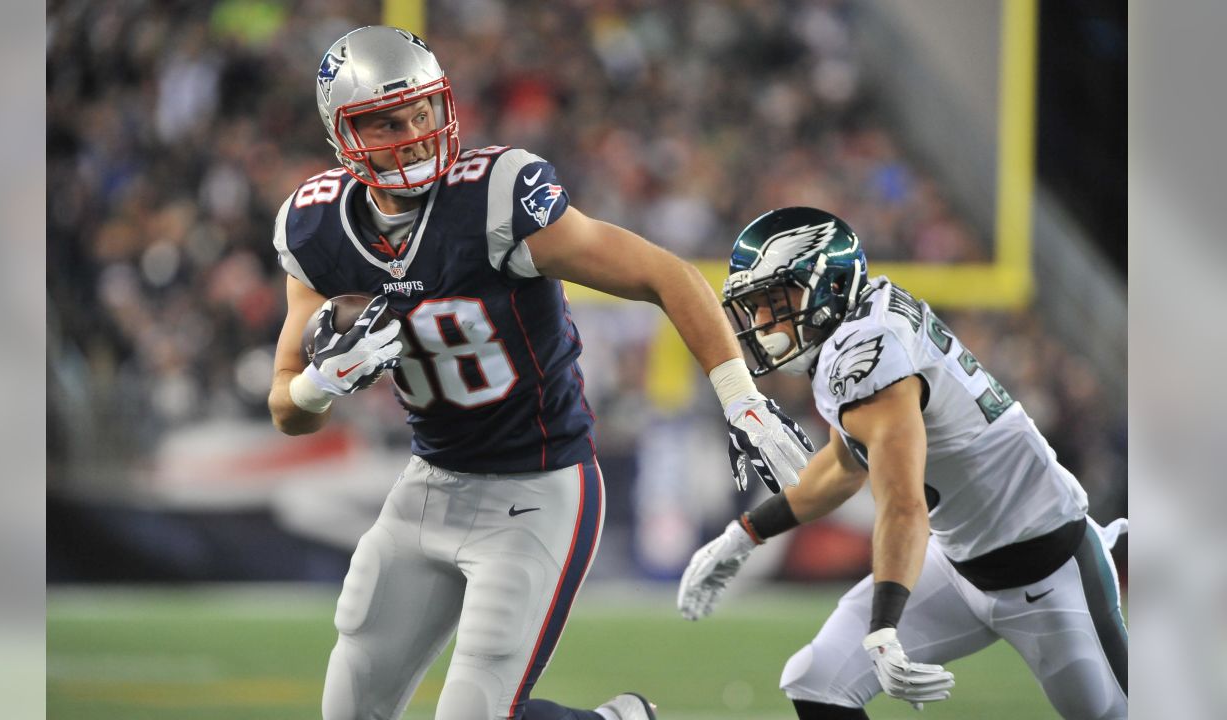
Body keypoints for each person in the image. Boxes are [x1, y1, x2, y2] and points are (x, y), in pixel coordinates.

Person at [266, 26, 814, 720]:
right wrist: (325, 381)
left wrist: (743, 401)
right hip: (429, 486)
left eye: (422, 111)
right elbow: (286, 407)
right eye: (383, 120)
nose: (410, 133)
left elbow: (665, 275)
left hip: (539, 486)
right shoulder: (315, 229)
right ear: (341, 134)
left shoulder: (495, 197)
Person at [677, 207, 1128, 719]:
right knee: (817, 681)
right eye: (755, 307)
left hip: (1047, 568)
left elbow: (903, 505)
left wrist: (885, 628)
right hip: (958, 563)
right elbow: (843, 467)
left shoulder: (869, 356)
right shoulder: (854, 334)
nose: (764, 325)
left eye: (775, 303)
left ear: (829, 286)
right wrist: (743, 535)